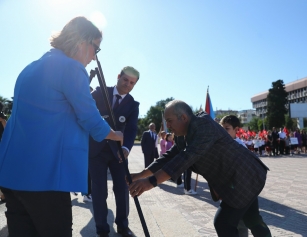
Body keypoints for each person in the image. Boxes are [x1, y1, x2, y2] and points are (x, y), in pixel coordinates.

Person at [0, 17, 123, 237]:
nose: (95, 57)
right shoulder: (71, 68)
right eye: (96, 48)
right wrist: (115, 134)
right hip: (44, 177)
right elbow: (90, 118)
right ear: (82, 42)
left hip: (12, 174)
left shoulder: (30, 68)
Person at [128, 100, 272, 237]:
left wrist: (151, 182)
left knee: (223, 223)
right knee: (252, 219)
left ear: (183, 117)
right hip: (238, 178)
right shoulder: (181, 135)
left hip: (244, 175)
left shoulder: (203, 125)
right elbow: (169, 157)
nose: (168, 125)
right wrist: (140, 175)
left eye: (170, 120)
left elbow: (186, 157)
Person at [89, 66, 140, 237]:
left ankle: (123, 226)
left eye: (132, 83)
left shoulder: (133, 105)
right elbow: (85, 108)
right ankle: (101, 228)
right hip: (96, 150)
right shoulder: (100, 92)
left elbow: (132, 129)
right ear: (119, 76)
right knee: (99, 192)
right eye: (125, 80)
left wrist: (126, 148)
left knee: (122, 189)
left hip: (119, 152)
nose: (127, 84)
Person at [220, 115, 249, 237]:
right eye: (222, 129)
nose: (223, 132)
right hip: (227, 193)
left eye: (226, 128)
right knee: (228, 224)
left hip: (239, 194)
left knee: (240, 225)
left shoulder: (240, 146)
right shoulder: (224, 144)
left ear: (236, 130)